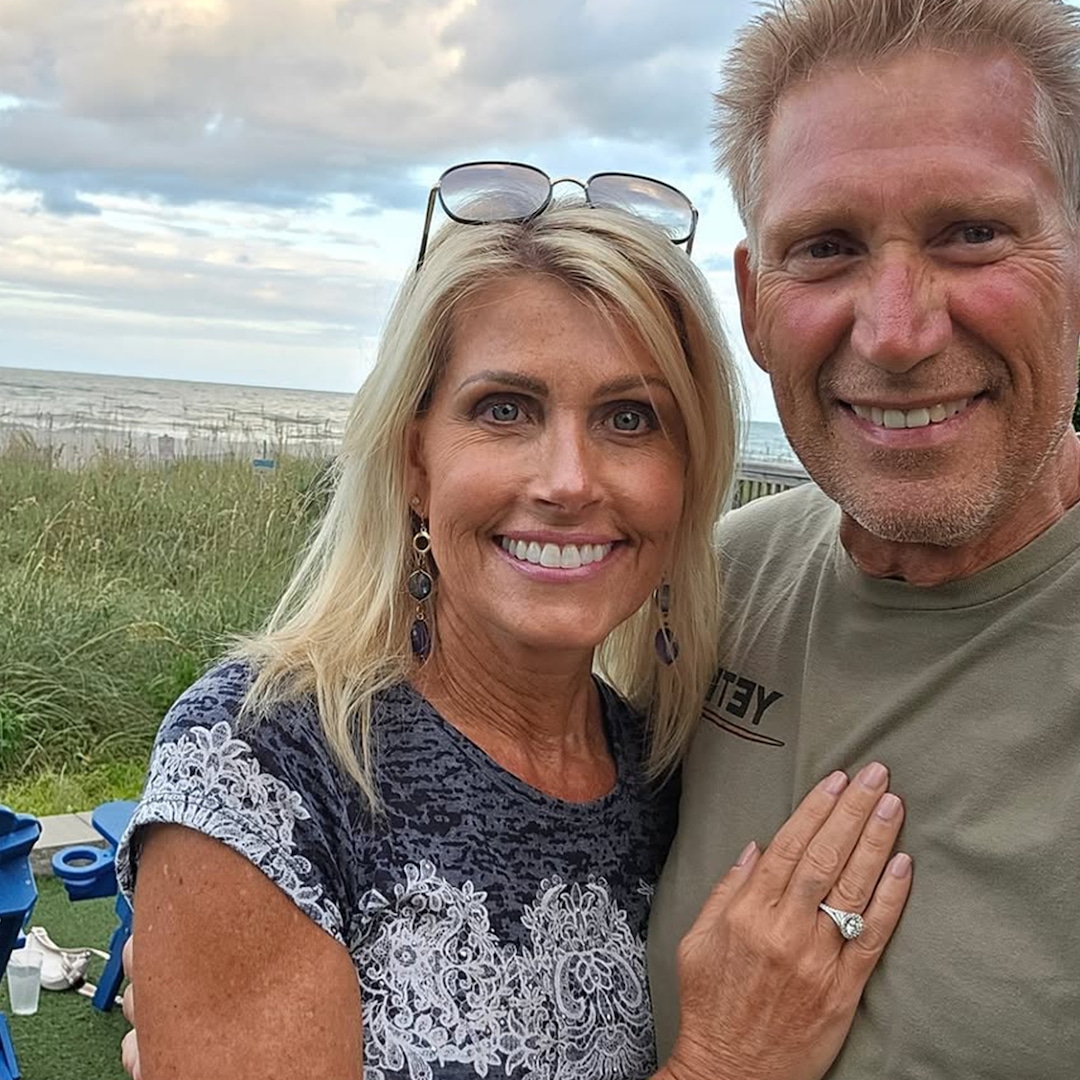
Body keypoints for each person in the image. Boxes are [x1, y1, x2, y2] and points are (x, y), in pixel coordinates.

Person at [115, 167, 912, 1080]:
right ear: (415, 461)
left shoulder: (663, 769)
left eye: (629, 418)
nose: (568, 480)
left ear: (687, 478)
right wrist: (726, 1065)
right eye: (504, 410)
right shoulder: (266, 762)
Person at [648, 0, 1080, 1075]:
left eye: (972, 233)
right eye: (827, 248)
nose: (895, 333)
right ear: (754, 304)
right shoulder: (724, 581)